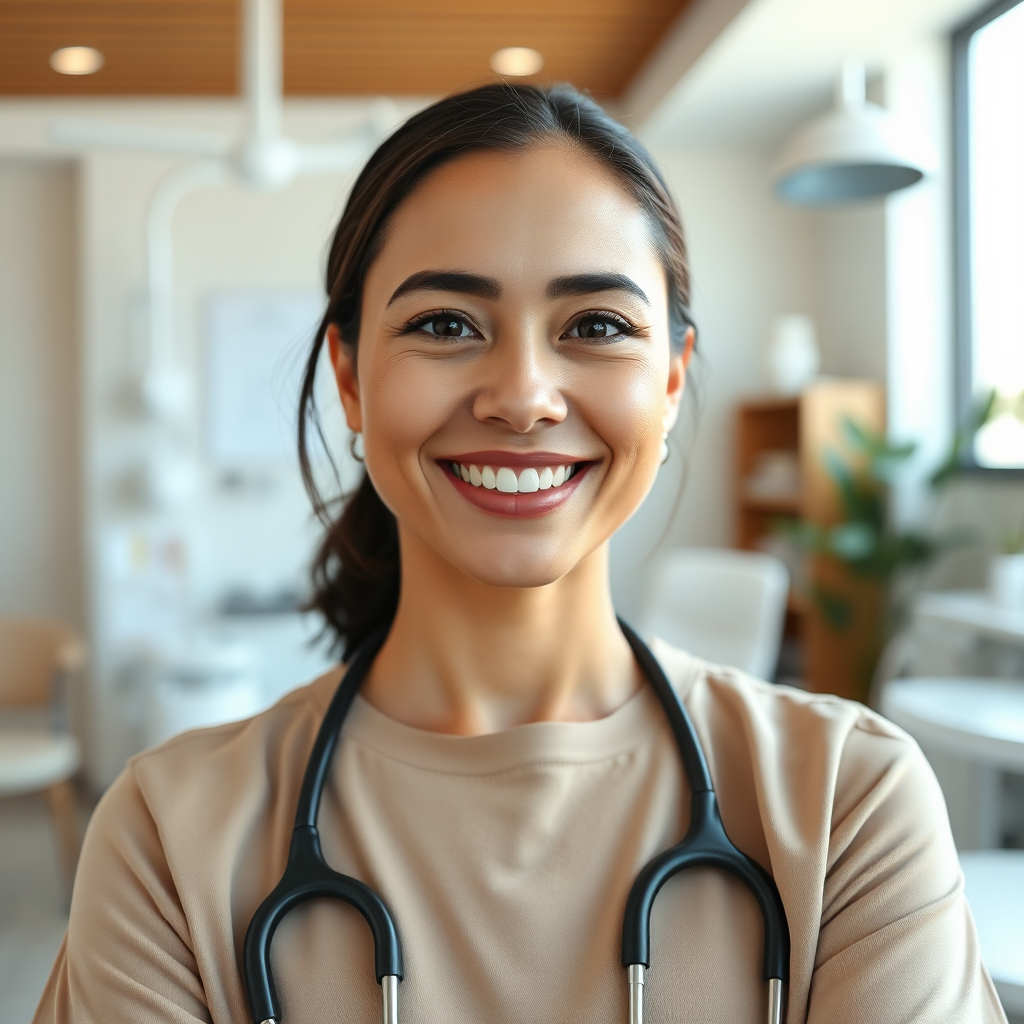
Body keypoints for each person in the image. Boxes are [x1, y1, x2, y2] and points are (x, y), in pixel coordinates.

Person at [35, 83, 1004, 1024]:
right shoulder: (167, 838)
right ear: (351, 378)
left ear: (668, 382)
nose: (524, 394)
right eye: (445, 324)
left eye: (595, 326)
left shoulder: (848, 805)